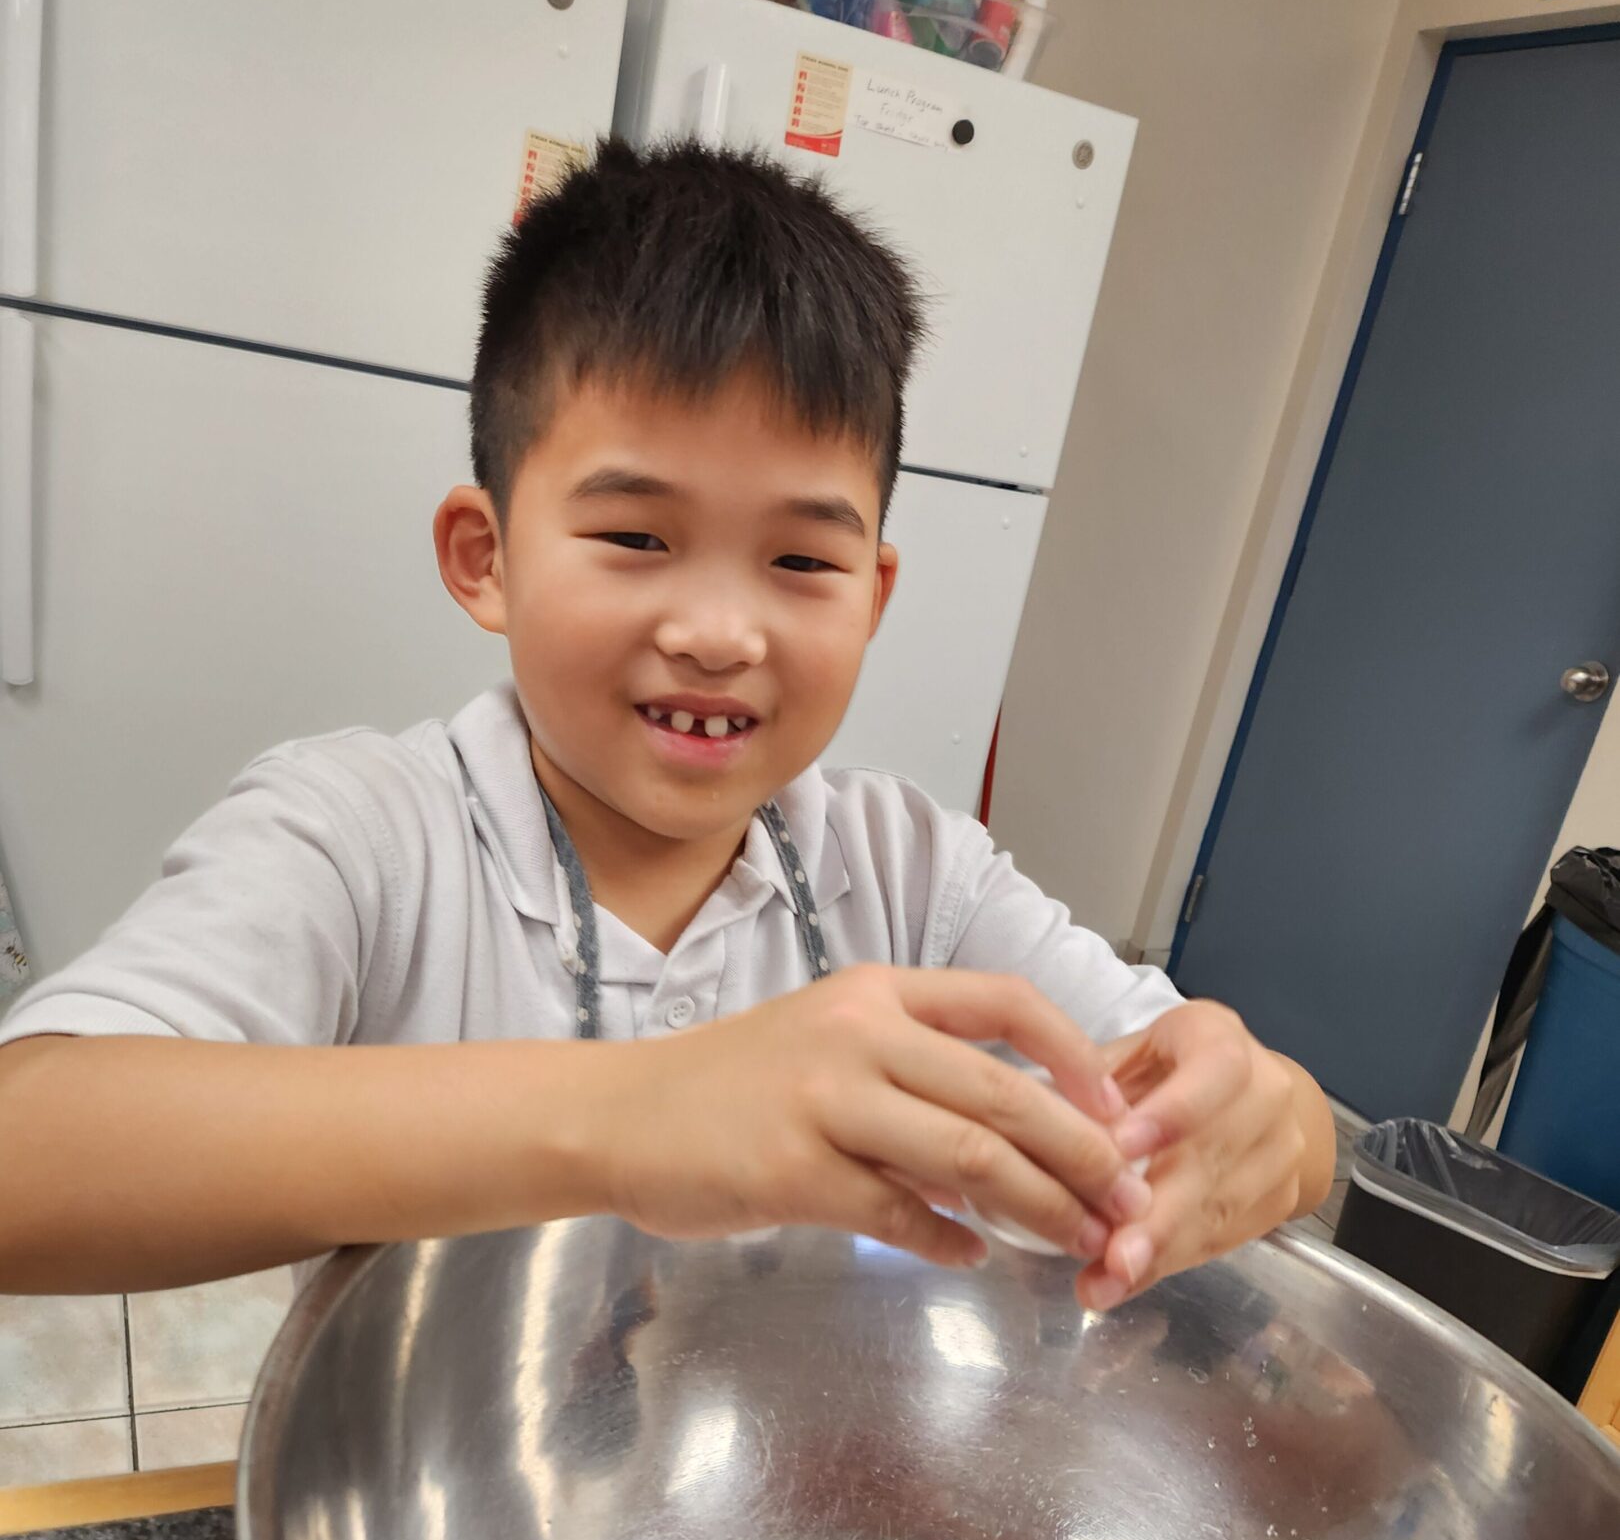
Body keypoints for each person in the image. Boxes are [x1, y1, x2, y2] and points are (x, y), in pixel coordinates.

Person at [0, 141, 1333, 1306]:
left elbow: (1238, 1109)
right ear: (486, 557)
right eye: (636, 535)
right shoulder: (365, 839)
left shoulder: (914, 874)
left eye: (801, 564)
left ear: (873, 597)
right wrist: (639, 1112)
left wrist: (1269, 1118)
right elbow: (31, 1145)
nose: (718, 632)